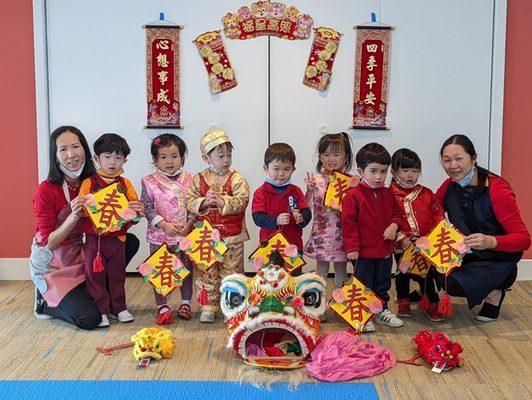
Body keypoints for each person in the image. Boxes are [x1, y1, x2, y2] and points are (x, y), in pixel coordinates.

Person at [30, 126, 140, 329]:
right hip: (56, 259)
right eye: (63, 149)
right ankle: (45, 302)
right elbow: (49, 242)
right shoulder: (46, 189)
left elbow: (113, 220)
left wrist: (132, 212)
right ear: (55, 156)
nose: (71, 154)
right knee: (89, 319)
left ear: (86, 152)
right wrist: (73, 216)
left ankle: (103, 296)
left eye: (75, 147)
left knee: (129, 242)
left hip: (84, 250)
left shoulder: (94, 181)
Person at [436, 134, 530, 321]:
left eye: (459, 159)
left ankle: (496, 290)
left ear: (474, 158)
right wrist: (440, 221)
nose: (452, 166)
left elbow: (524, 239)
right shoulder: (449, 185)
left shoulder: (497, 189)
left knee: (455, 283)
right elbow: (434, 206)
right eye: (447, 161)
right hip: (468, 252)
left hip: (496, 256)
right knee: (439, 275)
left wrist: (490, 241)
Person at [78, 133, 143, 327]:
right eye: (107, 157)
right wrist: (86, 206)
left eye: (118, 157)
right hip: (95, 240)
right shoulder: (89, 183)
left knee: (117, 274)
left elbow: (135, 215)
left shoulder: (125, 184)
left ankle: (119, 307)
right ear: (97, 159)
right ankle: (101, 309)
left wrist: (136, 212)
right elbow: (80, 213)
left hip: (118, 239)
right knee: (95, 275)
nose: (113, 162)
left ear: (125, 159)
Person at [187, 130, 250, 323]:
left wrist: (222, 201)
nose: (226, 160)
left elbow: (243, 199)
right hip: (206, 237)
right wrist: (203, 203)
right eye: (220, 156)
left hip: (231, 236)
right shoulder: (198, 179)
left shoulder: (237, 178)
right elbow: (189, 200)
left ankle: (233, 305)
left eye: (229, 155)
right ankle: (209, 306)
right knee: (206, 271)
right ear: (206, 157)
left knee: (231, 270)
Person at [341, 143, 404, 332]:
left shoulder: (388, 193)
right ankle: (363, 313)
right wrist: (352, 248)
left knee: (383, 283)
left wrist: (394, 225)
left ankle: (380, 310)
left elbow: (398, 215)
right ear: (361, 171)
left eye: (383, 172)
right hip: (364, 253)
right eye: (373, 171)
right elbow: (348, 223)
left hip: (384, 250)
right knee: (363, 284)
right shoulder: (353, 196)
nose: (379, 177)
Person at [141, 134, 195, 325]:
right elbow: (147, 208)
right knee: (161, 269)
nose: (169, 161)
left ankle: (186, 302)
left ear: (182, 157)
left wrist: (189, 223)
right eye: (163, 157)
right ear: (155, 160)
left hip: (184, 234)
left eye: (174, 156)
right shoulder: (149, 181)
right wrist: (164, 225)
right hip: (160, 235)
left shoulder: (191, 179)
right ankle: (162, 306)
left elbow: (194, 205)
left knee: (186, 269)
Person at [390, 148, 445, 321]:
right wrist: (400, 239)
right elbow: (387, 220)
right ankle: (403, 303)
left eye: (414, 171)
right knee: (402, 276)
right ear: (394, 172)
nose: (410, 175)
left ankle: (432, 303)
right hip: (403, 246)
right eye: (405, 170)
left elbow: (438, 215)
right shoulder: (388, 194)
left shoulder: (427, 193)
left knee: (428, 276)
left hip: (425, 245)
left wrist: (434, 237)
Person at [304, 133, 354, 320]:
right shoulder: (316, 180)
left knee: (342, 270)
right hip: (322, 233)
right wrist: (309, 189)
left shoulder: (351, 181)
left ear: (346, 157)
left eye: (336, 154)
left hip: (343, 233)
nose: (331, 159)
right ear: (319, 157)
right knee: (321, 270)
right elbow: (306, 206)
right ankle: (319, 306)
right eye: (326, 155)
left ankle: (340, 305)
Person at [252, 143, 312, 271]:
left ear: (293, 169)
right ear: (265, 168)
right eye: (276, 168)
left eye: (286, 169)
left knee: (293, 281)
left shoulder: (296, 191)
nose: (281, 173)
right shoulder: (261, 192)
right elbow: (257, 218)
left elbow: (306, 211)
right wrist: (276, 221)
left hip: (293, 245)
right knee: (268, 283)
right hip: (269, 247)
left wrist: (302, 218)